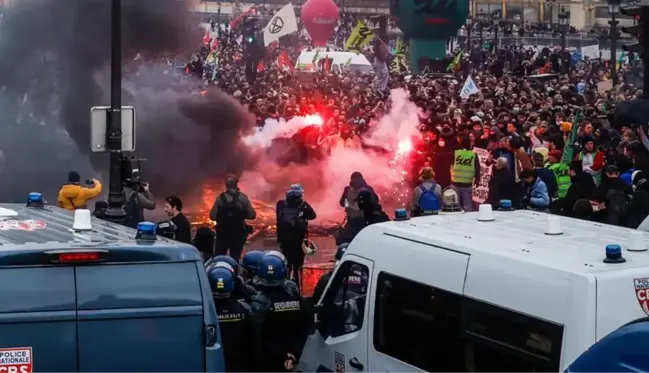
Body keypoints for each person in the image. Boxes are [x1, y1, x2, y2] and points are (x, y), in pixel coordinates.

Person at [250, 252, 309, 373]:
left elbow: (254, 335)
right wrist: (293, 354)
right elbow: (304, 327)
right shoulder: (295, 297)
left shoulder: (255, 300)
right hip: (288, 359)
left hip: (263, 361)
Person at [207, 265, 260, 373]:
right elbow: (254, 341)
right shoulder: (244, 309)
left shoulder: (205, 312)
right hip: (239, 365)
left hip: (212, 364)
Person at [276, 184, 317, 288]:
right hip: (298, 240)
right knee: (298, 265)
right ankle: (298, 287)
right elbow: (313, 216)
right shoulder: (304, 205)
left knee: (286, 263)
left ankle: (284, 285)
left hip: (284, 239)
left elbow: (278, 218)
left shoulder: (280, 204)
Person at [209, 176, 257, 262]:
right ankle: (234, 273)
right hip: (237, 234)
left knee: (219, 258)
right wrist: (242, 215)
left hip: (222, 234)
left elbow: (212, 216)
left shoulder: (220, 198)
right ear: (236, 184)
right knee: (235, 258)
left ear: (226, 185)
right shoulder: (242, 198)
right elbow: (252, 215)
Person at [450, 136, 480, 211]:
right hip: (467, 184)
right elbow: (477, 168)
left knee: (454, 206)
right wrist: (477, 180)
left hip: (455, 183)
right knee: (467, 206)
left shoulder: (455, 153)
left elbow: (451, 165)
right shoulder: (473, 155)